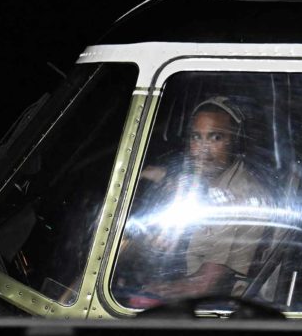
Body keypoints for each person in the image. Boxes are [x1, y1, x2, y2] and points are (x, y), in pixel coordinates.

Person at [116, 96, 273, 307]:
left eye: (216, 138)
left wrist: (147, 291)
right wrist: (149, 175)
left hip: (222, 309)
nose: (203, 150)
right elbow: (187, 182)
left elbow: (203, 286)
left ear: (237, 142)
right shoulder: (214, 184)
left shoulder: (239, 200)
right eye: (196, 137)